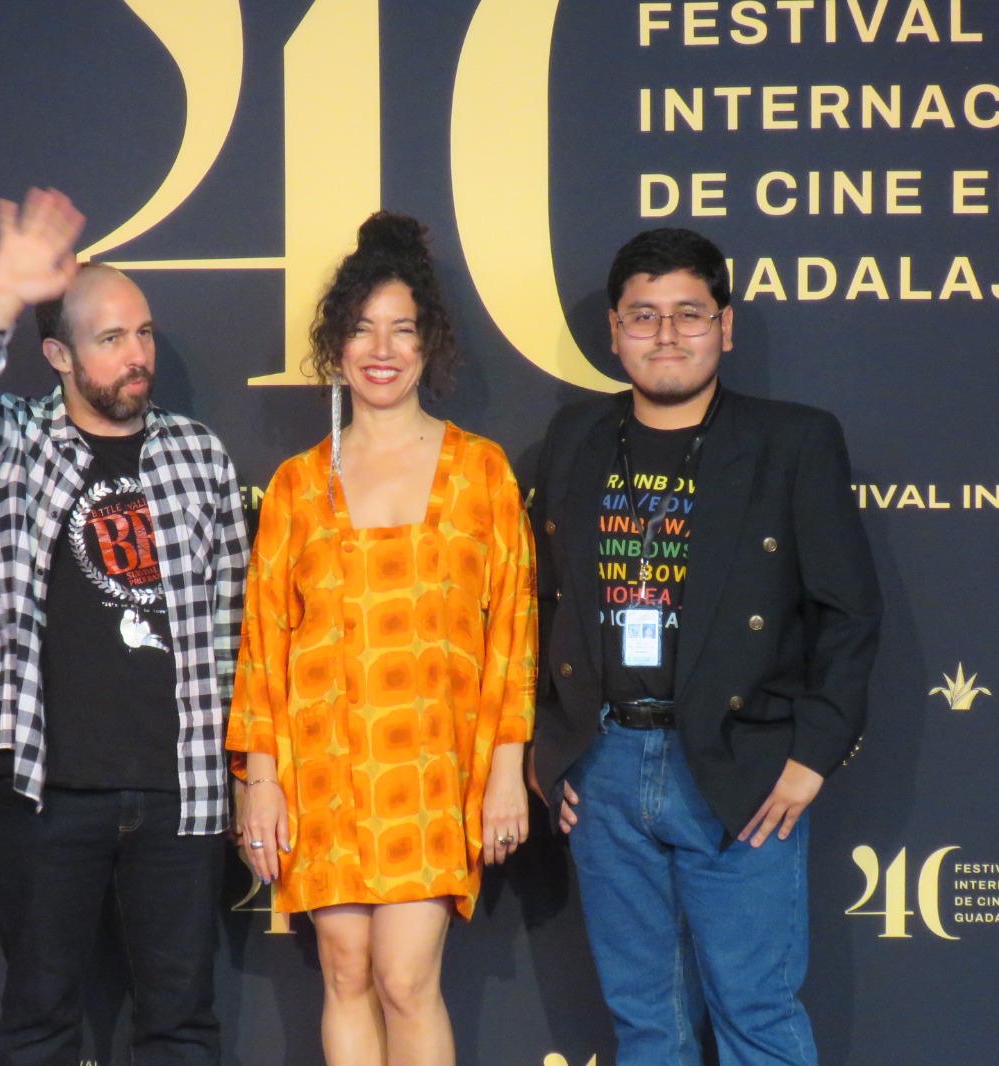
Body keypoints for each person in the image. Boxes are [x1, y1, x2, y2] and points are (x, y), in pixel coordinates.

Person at [528, 227, 882, 1065]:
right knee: (647, 1024)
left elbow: (850, 610)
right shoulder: (574, 439)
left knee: (755, 1013)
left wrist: (812, 756)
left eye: (688, 314)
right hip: (604, 768)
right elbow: (538, 607)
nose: (665, 335)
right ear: (613, 331)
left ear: (725, 325)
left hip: (740, 764)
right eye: (643, 316)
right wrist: (550, 750)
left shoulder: (792, 441)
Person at [0, 187, 249, 1066]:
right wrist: (2, 296)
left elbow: (230, 627)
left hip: (183, 792)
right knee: (37, 1028)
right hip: (44, 790)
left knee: (180, 1029)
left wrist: (245, 769)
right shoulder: (13, 445)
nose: (138, 357)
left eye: (143, 334)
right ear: (59, 354)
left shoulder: (198, 452)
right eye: (111, 340)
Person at [230, 212, 537, 1066]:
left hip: (434, 766)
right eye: (363, 328)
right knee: (345, 970)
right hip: (323, 768)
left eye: (402, 330)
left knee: (407, 977)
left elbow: (514, 627)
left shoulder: (481, 471)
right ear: (336, 343)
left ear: (428, 344)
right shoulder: (297, 486)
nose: (382, 349)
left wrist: (506, 771)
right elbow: (264, 643)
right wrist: (261, 781)